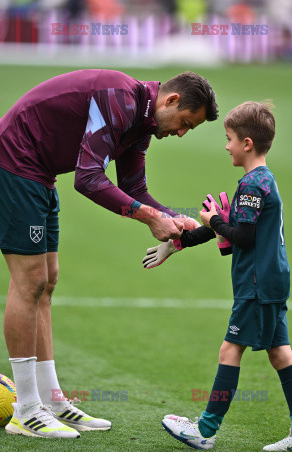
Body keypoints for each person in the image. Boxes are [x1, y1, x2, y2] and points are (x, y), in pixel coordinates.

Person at [0, 69, 218, 439]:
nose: (180, 134)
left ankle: (51, 401)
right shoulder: (120, 98)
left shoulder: (143, 122)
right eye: (184, 124)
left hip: (40, 173)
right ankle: (25, 409)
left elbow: (133, 186)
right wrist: (150, 217)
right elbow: (88, 177)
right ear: (172, 101)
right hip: (15, 164)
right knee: (30, 280)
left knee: (47, 282)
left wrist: (169, 216)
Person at [143, 101, 292, 451]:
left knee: (230, 350)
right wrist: (178, 243)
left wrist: (214, 221)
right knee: (279, 352)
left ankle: (205, 431)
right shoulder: (257, 181)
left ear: (247, 144)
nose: (226, 146)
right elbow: (225, 227)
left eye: (229, 138)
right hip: (269, 280)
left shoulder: (254, 186)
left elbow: (241, 236)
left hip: (257, 284)